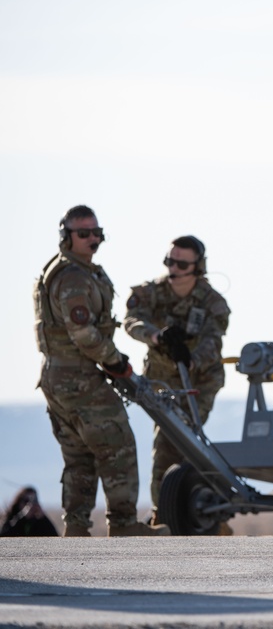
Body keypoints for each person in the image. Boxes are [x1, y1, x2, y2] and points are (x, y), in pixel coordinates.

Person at [33, 205, 170, 537]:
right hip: (77, 377)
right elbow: (83, 333)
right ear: (67, 236)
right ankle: (123, 525)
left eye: (97, 233)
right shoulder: (72, 277)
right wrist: (115, 362)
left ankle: (77, 527)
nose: (93, 239)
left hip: (61, 378)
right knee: (117, 445)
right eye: (84, 234)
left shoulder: (78, 271)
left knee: (80, 455)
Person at [124, 235, 231, 531]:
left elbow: (213, 340)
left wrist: (191, 358)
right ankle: (166, 515)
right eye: (169, 261)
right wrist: (157, 336)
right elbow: (131, 321)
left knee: (184, 440)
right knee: (166, 444)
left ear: (198, 267)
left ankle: (198, 512)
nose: (173, 268)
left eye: (181, 263)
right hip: (163, 381)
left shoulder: (213, 302)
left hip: (200, 380)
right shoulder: (150, 293)